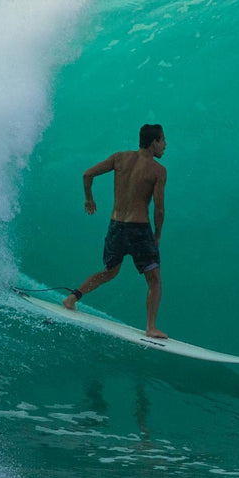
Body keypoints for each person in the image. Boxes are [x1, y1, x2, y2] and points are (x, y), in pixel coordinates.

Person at [64, 124, 168, 339]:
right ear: (153, 142)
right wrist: (157, 235)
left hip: (116, 226)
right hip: (139, 230)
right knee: (154, 280)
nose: (165, 145)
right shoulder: (158, 170)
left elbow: (87, 174)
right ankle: (151, 327)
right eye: (163, 140)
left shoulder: (119, 158)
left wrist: (89, 198)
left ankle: (72, 298)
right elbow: (158, 208)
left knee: (109, 271)